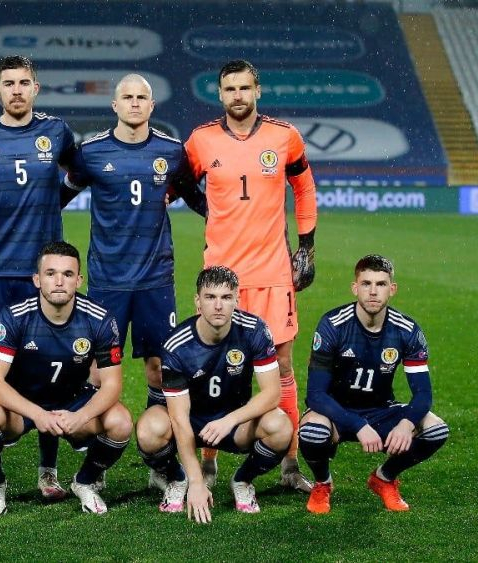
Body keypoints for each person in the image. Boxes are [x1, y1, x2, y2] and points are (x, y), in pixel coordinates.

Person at [62, 74, 207, 492]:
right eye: (127, 97)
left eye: (142, 97)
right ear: (114, 105)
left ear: (152, 104)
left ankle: (159, 463)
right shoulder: (90, 153)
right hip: (107, 279)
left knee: (160, 367)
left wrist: (231, 220)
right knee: (93, 369)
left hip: (155, 278)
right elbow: (59, 195)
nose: (135, 103)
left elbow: (191, 195)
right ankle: (97, 461)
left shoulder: (170, 151)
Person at [184, 59, 317, 492]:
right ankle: (208, 459)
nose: (237, 96)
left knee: (281, 366)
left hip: (273, 274)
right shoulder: (201, 141)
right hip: (221, 278)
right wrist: (212, 213)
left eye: (244, 88)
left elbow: (304, 187)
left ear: (257, 89)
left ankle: (290, 463)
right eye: (229, 89)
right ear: (219, 94)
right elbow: (183, 186)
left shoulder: (285, 137)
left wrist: (306, 247)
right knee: (209, 364)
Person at [0, 55, 77, 499]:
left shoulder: (57, 131)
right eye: (8, 83)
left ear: (36, 88)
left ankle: (49, 469)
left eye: (24, 82)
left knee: (49, 368)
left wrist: (53, 202)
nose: (16, 90)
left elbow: (77, 173)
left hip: (43, 272)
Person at [0, 241, 132, 516]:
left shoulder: (100, 319)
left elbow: (112, 384)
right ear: (37, 279)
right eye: (50, 273)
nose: (59, 281)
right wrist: (37, 414)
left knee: (121, 422)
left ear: (79, 279)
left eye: (68, 274)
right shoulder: (14, 317)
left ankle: (85, 481)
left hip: (73, 404)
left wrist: (79, 417)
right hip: (23, 405)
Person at [299, 255, 448, 514]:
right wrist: (357, 425)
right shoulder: (333, 324)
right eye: (366, 283)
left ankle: (384, 477)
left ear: (392, 289)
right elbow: (315, 395)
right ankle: (323, 483)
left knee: (436, 429)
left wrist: (405, 423)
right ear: (355, 287)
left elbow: (423, 394)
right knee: (312, 433)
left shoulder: (407, 330)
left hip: (381, 411)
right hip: (335, 413)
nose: (373, 291)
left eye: (380, 284)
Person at [144, 266, 292, 523]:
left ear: (237, 299)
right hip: (190, 421)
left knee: (279, 426)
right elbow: (179, 419)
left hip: (234, 423)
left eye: (226, 297)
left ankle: (243, 480)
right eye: (210, 297)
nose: (218, 305)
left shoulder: (255, 330)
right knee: (149, 428)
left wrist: (229, 420)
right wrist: (196, 481)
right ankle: (177, 478)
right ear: (197, 301)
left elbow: (272, 394)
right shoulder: (176, 345)